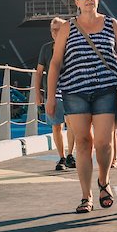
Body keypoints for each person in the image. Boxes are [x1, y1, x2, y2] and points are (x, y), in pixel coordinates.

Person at [46, 0, 117, 214]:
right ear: (76, 2)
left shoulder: (111, 24)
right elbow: (55, 63)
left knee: (103, 143)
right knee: (82, 143)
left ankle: (104, 181)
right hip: (75, 92)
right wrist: (51, 97)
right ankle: (86, 195)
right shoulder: (67, 28)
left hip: (105, 90)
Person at [33, 17, 74, 171]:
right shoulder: (46, 49)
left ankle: (70, 155)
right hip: (52, 94)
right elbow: (38, 72)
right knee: (56, 126)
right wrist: (38, 94)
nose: (56, 32)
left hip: (70, 91)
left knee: (72, 125)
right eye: (54, 30)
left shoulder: (71, 47)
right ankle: (62, 157)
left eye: (60, 29)